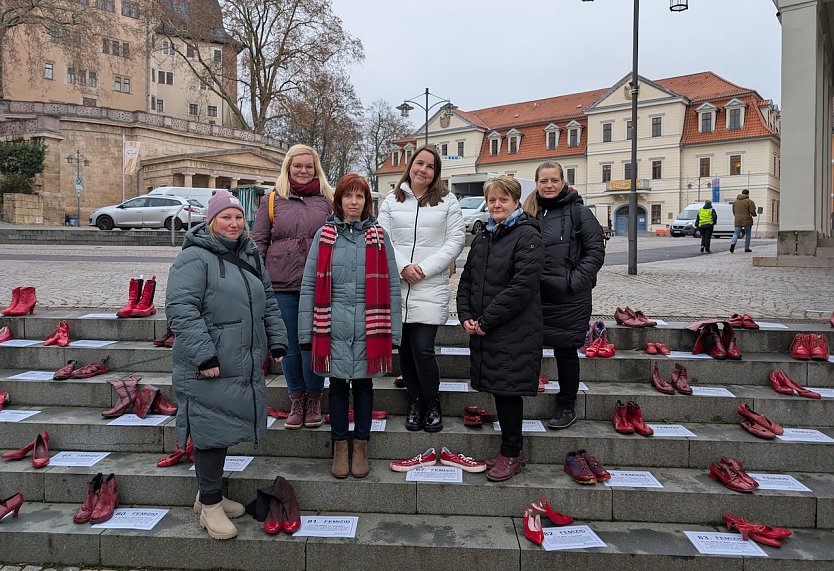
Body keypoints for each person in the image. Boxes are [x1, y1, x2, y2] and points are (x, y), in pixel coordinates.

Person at [166, 190, 288, 541]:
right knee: (209, 432)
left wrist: (276, 340)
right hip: (211, 361)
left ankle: (207, 496)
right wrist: (204, 355)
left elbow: (268, 302)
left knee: (218, 428)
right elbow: (181, 310)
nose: (234, 224)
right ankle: (211, 507)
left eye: (238, 217)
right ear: (211, 221)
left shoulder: (250, 254)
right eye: (225, 217)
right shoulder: (194, 258)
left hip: (241, 358)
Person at [298, 173, 402, 479]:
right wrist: (306, 332)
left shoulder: (379, 236)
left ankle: (361, 445)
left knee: (365, 386)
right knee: (339, 386)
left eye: (360, 197)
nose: (354, 202)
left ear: (367, 202)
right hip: (332, 323)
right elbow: (308, 284)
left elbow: (392, 286)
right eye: (348, 196)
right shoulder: (324, 235)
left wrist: (394, 332)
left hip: (370, 325)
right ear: (339, 201)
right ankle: (340, 445)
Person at [457, 175, 543, 482]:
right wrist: (465, 313)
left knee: (508, 392)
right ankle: (508, 449)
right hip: (487, 329)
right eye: (492, 199)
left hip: (512, 329)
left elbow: (522, 286)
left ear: (516, 202)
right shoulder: (484, 236)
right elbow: (467, 278)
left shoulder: (527, 235)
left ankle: (513, 453)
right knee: (500, 390)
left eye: (503, 199)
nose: (496, 205)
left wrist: (485, 320)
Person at [377, 145, 465, 433]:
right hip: (399, 284)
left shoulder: (447, 201)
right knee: (404, 350)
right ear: (410, 165)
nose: (423, 170)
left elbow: (455, 241)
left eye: (430, 166)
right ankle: (414, 401)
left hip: (429, 285)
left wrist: (423, 269)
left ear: (436, 172)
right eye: (419, 163)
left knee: (423, 348)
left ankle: (432, 401)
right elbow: (382, 236)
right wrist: (402, 265)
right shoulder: (392, 200)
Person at [252, 144, 333, 430]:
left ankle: (314, 399)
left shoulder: (327, 200)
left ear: (316, 169)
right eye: (297, 165)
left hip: (319, 284)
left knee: (315, 344)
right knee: (288, 345)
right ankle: (296, 399)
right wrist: (257, 278)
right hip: (281, 283)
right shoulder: (271, 200)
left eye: (308, 166)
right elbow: (259, 241)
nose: (303, 170)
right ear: (288, 168)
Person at [523, 161, 605, 430]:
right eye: (543, 181)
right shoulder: (527, 212)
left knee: (566, 352)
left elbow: (595, 251)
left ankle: (566, 404)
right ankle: (521, 396)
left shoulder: (579, 212)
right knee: (527, 346)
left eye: (554, 180)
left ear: (563, 183)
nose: (549, 185)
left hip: (569, 296)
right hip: (534, 296)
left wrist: (575, 282)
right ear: (536, 183)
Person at [730, 189, 757, 253]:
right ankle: (746, 248)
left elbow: (734, 211)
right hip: (747, 219)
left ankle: (733, 244)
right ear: (748, 194)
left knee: (736, 233)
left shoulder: (735, 202)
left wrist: (737, 216)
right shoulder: (749, 201)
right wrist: (754, 215)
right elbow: (752, 211)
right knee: (748, 234)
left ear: (742, 193)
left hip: (737, 219)